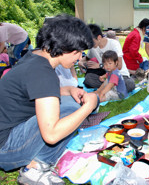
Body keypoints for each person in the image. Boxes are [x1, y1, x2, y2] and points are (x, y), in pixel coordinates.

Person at [0, 14, 99, 185]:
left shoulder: (35, 58)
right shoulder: (43, 73)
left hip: (8, 132)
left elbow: (34, 92)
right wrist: (88, 108)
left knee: (69, 103)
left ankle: (36, 160)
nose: (79, 57)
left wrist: (68, 89)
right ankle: (36, 168)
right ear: (64, 46)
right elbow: (51, 135)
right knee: (74, 109)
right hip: (6, 148)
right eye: (78, 52)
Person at [78, 24, 135, 92]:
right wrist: (80, 62)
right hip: (106, 75)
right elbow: (86, 58)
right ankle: (111, 88)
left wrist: (100, 65)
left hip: (120, 74)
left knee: (129, 84)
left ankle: (108, 87)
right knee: (88, 79)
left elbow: (119, 66)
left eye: (91, 41)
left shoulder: (114, 44)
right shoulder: (93, 48)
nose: (89, 44)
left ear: (99, 37)